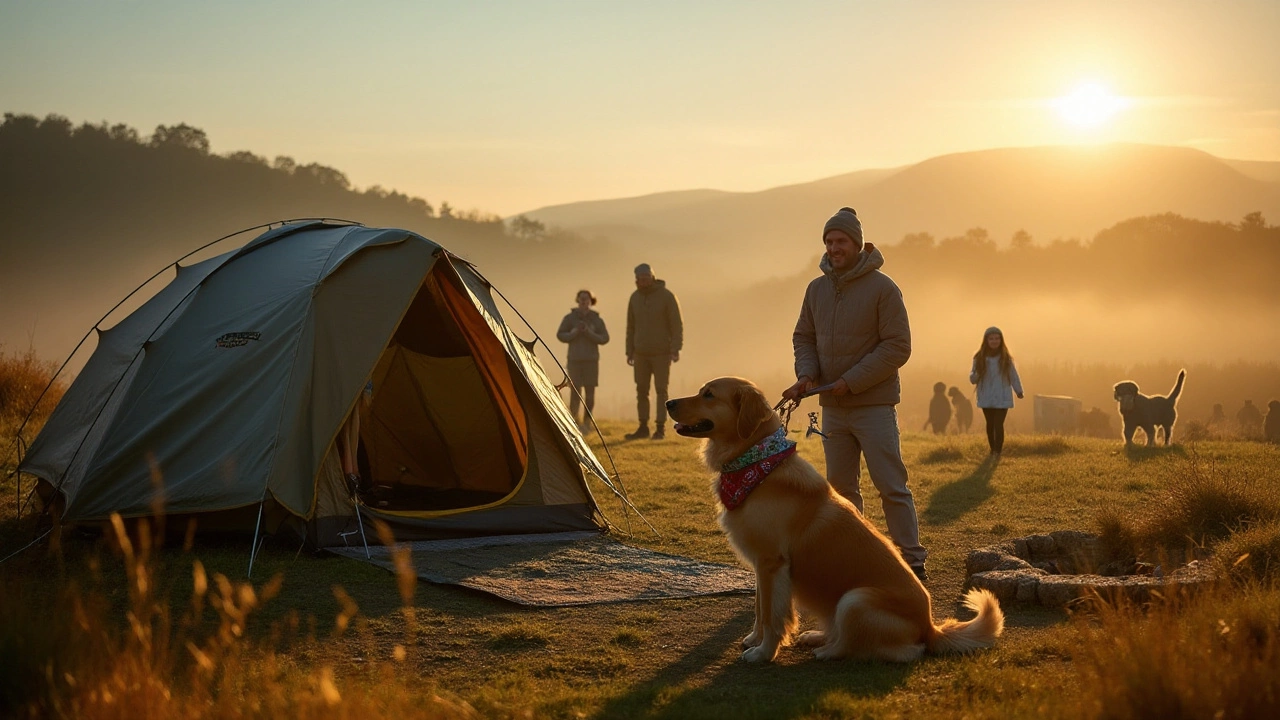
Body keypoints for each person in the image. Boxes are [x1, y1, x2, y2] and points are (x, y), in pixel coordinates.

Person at [782, 207, 927, 582]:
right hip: (833, 408)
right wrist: (806, 374)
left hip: (873, 405)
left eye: (840, 241)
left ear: (856, 243)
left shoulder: (883, 288)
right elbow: (804, 338)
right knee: (842, 490)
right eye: (829, 241)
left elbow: (898, 346)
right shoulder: (815, 289)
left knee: (891, 486)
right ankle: (856, 558)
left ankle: (911, 562)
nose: (834, 248)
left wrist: (851, 380)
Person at [625, 263, 683, 440]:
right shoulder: (634, 298)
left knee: (660, 390)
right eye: (640, 278)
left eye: (646, 277)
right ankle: (643, 427)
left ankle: (660, 428)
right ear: (636, 280)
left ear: (652, 277)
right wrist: (629, 351)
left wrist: (675, 348)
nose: (643, 281)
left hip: (661, 352)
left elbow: (676, 324)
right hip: (640, 353)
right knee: (641, 390)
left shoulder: (667, 296)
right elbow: (631, 326)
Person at [556, 289, 610, 430]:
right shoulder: (570, 318)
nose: (584, 301)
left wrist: (588, 332)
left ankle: (587, 422)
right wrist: (574, 333)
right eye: (581, 299)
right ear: (577, 300)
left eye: (587, 299)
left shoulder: (597, 319)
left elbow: (605, 338)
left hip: (591, 361)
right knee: (575, 392)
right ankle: (574, 420)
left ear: (591, 301)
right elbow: (561, 335)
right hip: (574, 360)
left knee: (590, 394)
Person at [969, 327, 1024, 458]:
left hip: (1002, 396)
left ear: (1001, 340)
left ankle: (997, 452)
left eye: (997, 338)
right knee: (990, 424)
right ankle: (992, 449)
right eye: (991, 338)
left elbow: (1013, 376)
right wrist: (978, 373)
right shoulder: (979, 358)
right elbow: (972, 378)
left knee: (998, 424)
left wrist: (1019, 390)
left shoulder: (1006, 358)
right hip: (986, 396)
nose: (994, 341)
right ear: (986, 340)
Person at [337, 379, 374, 497]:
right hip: (360, 387)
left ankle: (352, 478)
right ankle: (357, 478)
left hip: (353, 387)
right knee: (351, 432)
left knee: (348, 432)